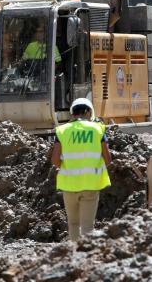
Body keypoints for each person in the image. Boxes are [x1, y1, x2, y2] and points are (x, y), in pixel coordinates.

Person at [50, 98, 112, 241]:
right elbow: (108, 159)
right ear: (89, 111)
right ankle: (86, 258)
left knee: (73, 224)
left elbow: (54, 160)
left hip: (69, 185)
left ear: (72, 113)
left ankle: (73, 256)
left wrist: (69, 167)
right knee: (87, 227)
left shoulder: (62, 130)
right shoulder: (97, 129)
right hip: (91, 185)